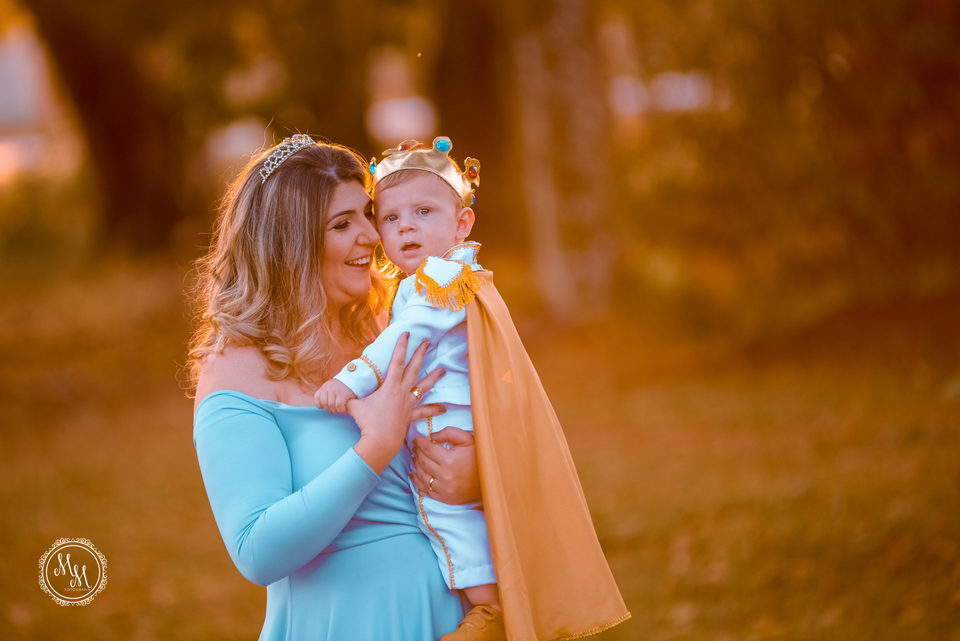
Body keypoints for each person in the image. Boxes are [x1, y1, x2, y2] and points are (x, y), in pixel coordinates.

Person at [314, 137, 631, 641]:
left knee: (448, 513)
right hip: (446, 415)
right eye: (392, 218)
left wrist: (348, 380)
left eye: (423, 211)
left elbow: (404, 338)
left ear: (462, 223)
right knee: (454, 520)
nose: (407, 227)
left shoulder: (441, 281)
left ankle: (490, 609)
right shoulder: (433, 280)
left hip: (450, 421)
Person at [188, 134, 483, 641]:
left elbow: (491, 417)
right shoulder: (234, 368)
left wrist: (476, 475)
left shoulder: (390, 326)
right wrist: (375, 446)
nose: (373, 235)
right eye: (343, 224)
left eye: (370, 215)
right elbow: (257, 550)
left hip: (453, 616)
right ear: (289, 244)